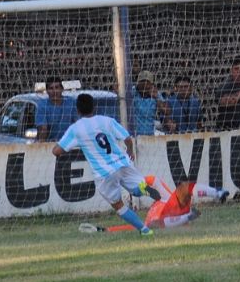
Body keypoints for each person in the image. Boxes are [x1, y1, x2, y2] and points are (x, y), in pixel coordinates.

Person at [52, 93, 162, 235]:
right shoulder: (107, 121)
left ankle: (145, 230)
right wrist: (130, 151)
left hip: (104, 173)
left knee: (118, 205)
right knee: (135, 188)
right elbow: (127, 138)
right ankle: (142, 189)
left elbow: (57, 151)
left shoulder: (76, 129)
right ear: (94, 107)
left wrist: (65, 144)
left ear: (77, 110)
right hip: (123, 162)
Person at [97, 175, 229, 232]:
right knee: (155, 224)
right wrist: (108, 230)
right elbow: (132, 227)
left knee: (184, 188)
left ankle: (217, 193)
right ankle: (187, 216)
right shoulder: (159, 203)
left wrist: (141, 185)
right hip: (170, 220)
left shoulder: (163, 197)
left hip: (174, 215)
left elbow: (153, 180)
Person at [37, 77, 77, 142]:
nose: (54, 91)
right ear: (47, 91)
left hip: (70, 143)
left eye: (57, 87)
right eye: (51, 88)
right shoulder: (42, 105)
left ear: (62, 89)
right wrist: (41, 145)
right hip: (50, 144)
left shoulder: (71, 102)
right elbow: (43, 128)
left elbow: (78, 123)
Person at [132, 70, 170, 136]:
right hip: (133, 134)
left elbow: (167, 111)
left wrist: (156, 98)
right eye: (142, 82)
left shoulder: (155, 94)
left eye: (147, 83)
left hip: (149, 134)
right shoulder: (133, 92)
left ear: (151, 84)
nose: (144, 85)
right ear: (138, 83)